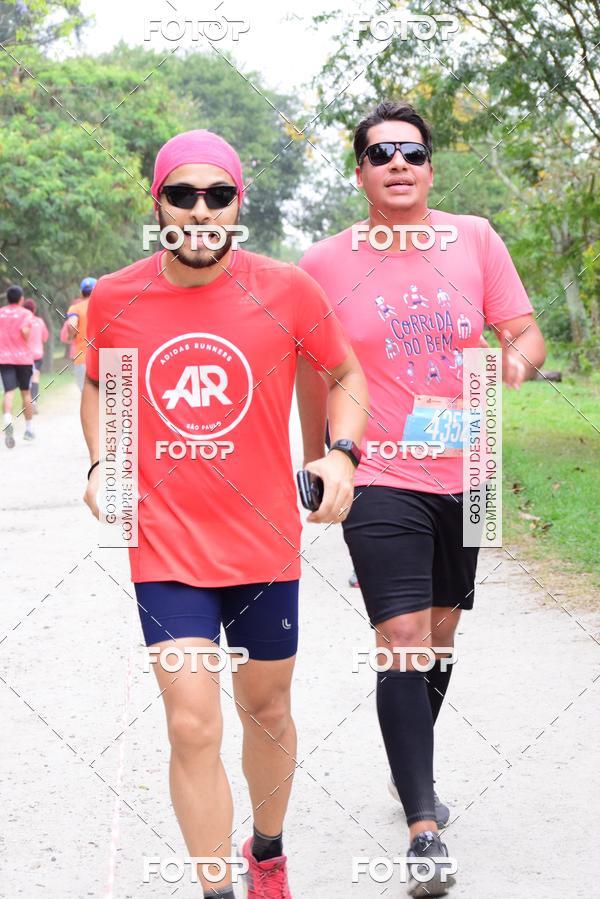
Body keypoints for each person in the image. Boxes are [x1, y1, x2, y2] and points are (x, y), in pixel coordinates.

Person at [80, 129, 368, 899]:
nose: (201, 210)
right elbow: (99, 383)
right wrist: (105, 458)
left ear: (239, 203)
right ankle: (215, 891)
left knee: (266, 708)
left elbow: (344, 371)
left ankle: (266, 851)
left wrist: (340, 453)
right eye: (184, 194)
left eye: (218, 195)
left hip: (263, 542)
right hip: (166, 544)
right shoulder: (115, 296)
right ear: (160, 203)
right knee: (191, 723)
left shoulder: (286, 290)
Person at [296, 100, 546, 896]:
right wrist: (318, 460)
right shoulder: (325, 262)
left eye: (412, 151)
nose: (397, 163)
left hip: (466, 472)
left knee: (440, 635)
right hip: (376, 472)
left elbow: (523, 331)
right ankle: (422, 827)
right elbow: (317, 370)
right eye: (380, 154)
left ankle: (414, 767)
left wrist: (519, 361)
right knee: (401, 632)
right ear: (361, 173)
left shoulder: (473, 238)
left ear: (430, 166)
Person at [0, 285, 35, 447]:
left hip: (4, 358)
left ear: (7, 298)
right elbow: (25, 331)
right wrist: (26, 342)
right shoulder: (26, 313)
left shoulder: (1, 312)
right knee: (26, 393)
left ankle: (7, 418)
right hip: (23, 359)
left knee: (8, 391)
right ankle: (28, 430)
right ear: (21, 299)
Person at [67, 277, 97, 391]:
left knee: (86, 397)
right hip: (105, 359)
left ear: (81, 293)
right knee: (107, 401)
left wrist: (71, 336)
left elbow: (72, 325)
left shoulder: (75, 308)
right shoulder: (106, 305)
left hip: (82, 359)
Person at [23, 298, 49, 411]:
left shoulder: (22, 322)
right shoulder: (40, 321)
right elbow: (45, 337)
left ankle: (27, 404)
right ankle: (34, 402)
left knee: (26, 379)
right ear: (34, 309)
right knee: (35, 378)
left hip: (25, 355)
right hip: (38, 355)